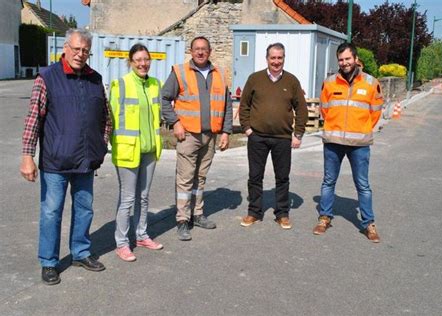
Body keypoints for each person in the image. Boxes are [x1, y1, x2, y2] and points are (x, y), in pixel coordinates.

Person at [20, 28, 111, 285]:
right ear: (65, 49)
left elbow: (107, 118)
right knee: (51, 212)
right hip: (55, 162)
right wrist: (28, 155)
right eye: (76, 49)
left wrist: (100, 146)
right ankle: (49, 261)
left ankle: (80, 252)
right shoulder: (47, 77)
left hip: (85, 160)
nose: (80, 54)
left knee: (84, 210)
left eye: (85, 50)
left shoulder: (95, 79)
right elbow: (32, 119)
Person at [161, 36, 233, 241]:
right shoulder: (180, 72)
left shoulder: (219, 74)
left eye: (204, 49)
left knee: (200, 178)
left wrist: (226, 132)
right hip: (188, 135)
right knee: (185, 179)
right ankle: (183, 219)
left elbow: (226, 105)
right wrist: (175, 122)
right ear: (191, 51)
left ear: (210, 51)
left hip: (209, 136)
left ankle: (197, 214)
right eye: (196, 49)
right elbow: (165, 98)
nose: (200, 52)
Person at [313, 42, 384, 242]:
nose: (344, 63)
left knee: (363, 184)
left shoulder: (371, 83)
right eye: (341, 60)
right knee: (328, 181)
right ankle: (324, 217)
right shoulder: (329, 83)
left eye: (347, 59)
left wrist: (361, 128)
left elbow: (376, 111)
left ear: (355, 58)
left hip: (359, 144)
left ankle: (368, 223)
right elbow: (324, 108)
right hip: (333, 141)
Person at [239, 42, 308, 230]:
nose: (276, 61)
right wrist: (247, 129)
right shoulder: (255, 79)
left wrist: (298, 133)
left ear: (284, 58)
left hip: (282, 139)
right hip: (257, 137)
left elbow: (301, 109)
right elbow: (244, 105)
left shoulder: (292, 81)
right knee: (255, 176)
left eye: (280, 58)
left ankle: (282, 213)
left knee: (282, 177)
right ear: (267, 59)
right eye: (273, 58)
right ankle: (254, 212)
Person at [109, 44, 164, 262]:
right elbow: (110, 119)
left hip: (149, 149)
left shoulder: (154, 85)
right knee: (128, 198)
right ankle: (121, 243)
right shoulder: (120, 85)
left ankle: (141, 235)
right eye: (138, 60)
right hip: (127, 151)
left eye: (146, 59)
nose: (143, 64)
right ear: (130, 62)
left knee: (143, 196)